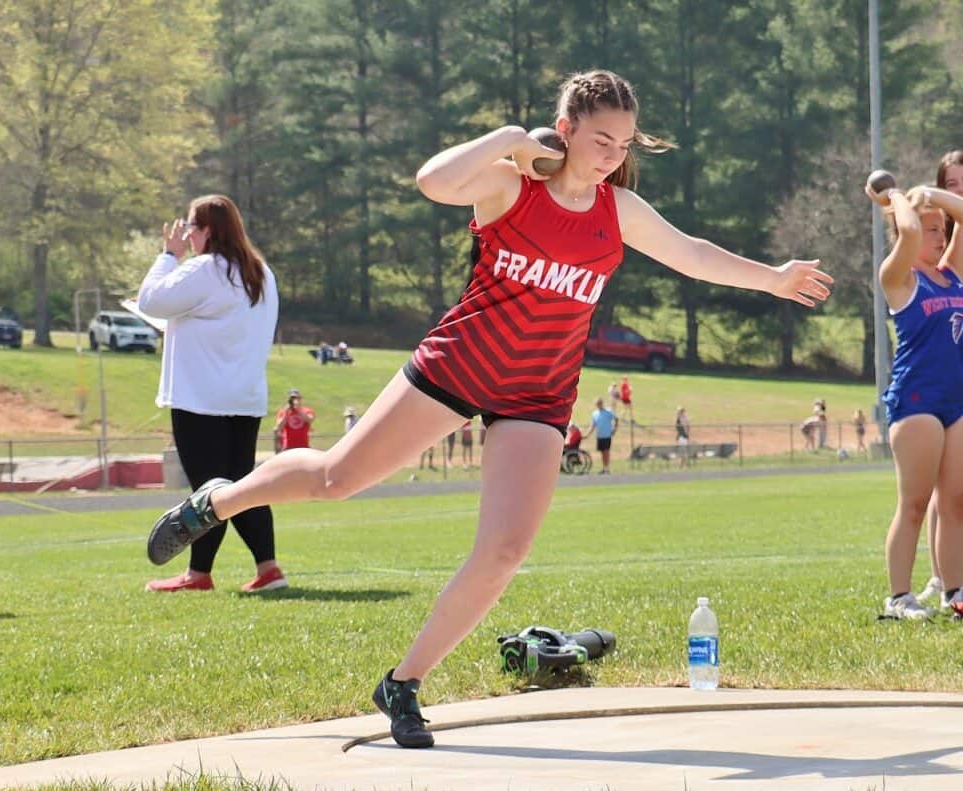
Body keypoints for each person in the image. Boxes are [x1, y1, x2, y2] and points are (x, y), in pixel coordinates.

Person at [146, 69, 831, 748]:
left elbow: (692, 255)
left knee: (504, 550)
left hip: (539, 392)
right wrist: (506, 138)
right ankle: (219, 501)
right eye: (600, 140)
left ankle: (404, 683)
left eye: (623, 145)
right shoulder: (511, 184)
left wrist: (771, 279)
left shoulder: (615, 211)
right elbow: (432, 181)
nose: (612, 157)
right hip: (460, 364)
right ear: (563, 131)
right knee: (336, 478)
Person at [140, 194, 286, 594]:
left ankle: (198, 575)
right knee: (240, 485)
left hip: (201, 399)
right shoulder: (260, 272)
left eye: (190, 227)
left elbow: (150, 300)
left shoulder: (205, 268)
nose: (186, 235)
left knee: (209, 493)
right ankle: (267, 567)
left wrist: (169, 256)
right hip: (244, 398)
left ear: (207, 231)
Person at [865, 174, 963, 619]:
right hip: (916, 401)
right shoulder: (898, 276)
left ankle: (955, 591)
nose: (938, 235)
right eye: (931, 228)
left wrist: (936, 196)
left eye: (941, 229)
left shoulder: (951, 276)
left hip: (955, 401)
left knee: (957, 501)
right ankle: (898, 597)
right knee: (915, 504)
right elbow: (904, 231)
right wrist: (899, 197)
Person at [916, 150, 963, 610]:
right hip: (946, 374)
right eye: (951, 183)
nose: (958, 191)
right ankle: (939, 576)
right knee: (943, 488)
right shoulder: (936, 251)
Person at [585, 396, 618, 474]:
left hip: (607, 435)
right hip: (600, 436)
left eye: (600, 403)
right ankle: (604, 468)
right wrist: (587, 434)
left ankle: (607, 468)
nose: (599, 405)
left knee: (606, 452)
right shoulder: (595, 414)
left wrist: (614, 429)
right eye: (597, 404)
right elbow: (593, 425)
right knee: (602, 453)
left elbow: (616, 418)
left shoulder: (608, 411)